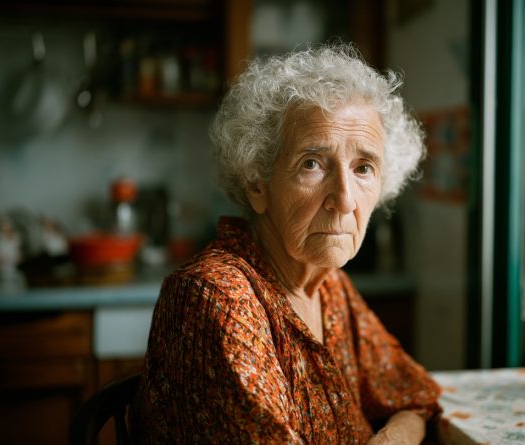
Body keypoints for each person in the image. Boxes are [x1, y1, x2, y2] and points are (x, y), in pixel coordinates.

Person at [129, 44, 441, 444]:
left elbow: (414, 396)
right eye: (312, 163)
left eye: (364, 168)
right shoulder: (218, 298)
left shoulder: (327, 285)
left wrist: (391, 438)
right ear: (257, 183)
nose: (345, 198)